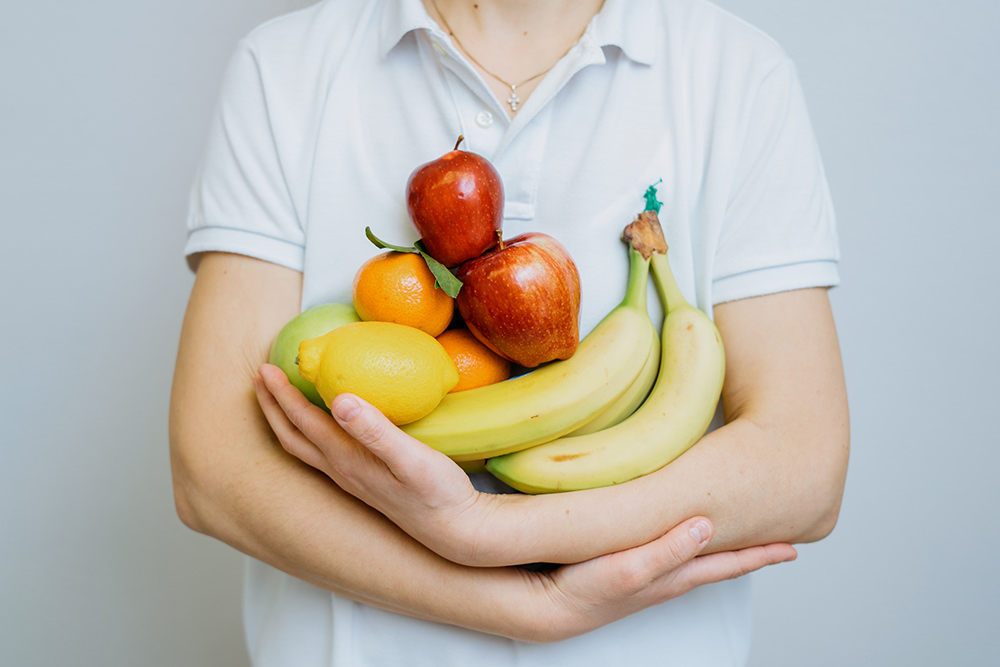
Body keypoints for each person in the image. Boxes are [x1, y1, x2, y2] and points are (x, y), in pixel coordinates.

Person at [169, 0, 849, 664]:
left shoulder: (736, 72)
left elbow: (804, 466)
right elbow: (213, 466)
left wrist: (492, 529)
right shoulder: (285, 66)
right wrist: (530, 604)